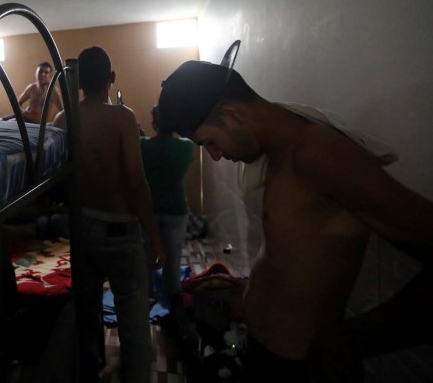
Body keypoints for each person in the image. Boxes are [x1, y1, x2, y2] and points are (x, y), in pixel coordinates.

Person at [156, 60, 433, 382]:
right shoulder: (282, 152)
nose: (215, 156)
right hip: (271, 352)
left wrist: (353, 340)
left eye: (209, 142)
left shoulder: (318, 153)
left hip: (301, 366)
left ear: (234, 114)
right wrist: (250, 295)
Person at [53, 46, 166, 383]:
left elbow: (62, 180)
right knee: (132, 319)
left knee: (86, 313)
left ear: (79, 81)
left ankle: (89, 372)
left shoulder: (63, 119)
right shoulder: (123, 117)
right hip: (119, 230)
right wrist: (154, 235)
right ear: (111, 78)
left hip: (82, 227)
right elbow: (136, 180)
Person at [140, 105, 195, 311]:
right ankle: (173, 295)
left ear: (154, 123)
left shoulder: (142, 145)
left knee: (146, 254)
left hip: (149, 209)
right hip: (176, 209)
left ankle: (147, 294)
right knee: (173, 256)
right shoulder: (186, 146)